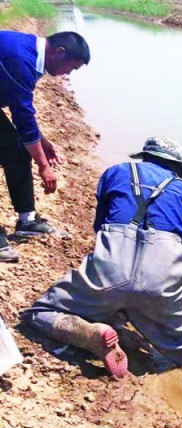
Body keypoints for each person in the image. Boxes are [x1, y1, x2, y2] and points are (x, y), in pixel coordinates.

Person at [20, 137, 182, 378]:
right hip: (159, 281)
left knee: (39, 313)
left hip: (110, 267)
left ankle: (90, 335)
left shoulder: (116, 172)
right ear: (176, 168)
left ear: (145, 157)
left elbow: (100, 226)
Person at [0, 30, 90, 262]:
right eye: (71, 67)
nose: (67, 74)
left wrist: (43, 142)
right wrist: (43, 165)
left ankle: (27, 221)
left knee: (17, 149)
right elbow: (23, 118)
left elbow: (24, 115)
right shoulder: (21, 59)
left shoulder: (30, 53)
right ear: (60, 52)